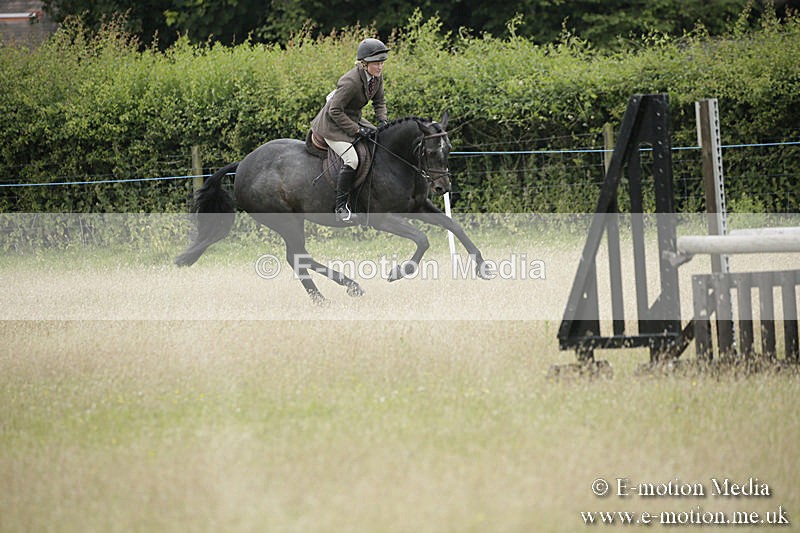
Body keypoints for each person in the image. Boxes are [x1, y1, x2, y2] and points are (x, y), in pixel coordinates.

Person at [311, 38, 389, 223]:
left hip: (352, 117)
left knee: (381, 141)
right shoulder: (350, 82)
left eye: (382, 62)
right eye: (376, 63)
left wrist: (382, 121)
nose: (380, 67)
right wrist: (357, 130)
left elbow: (379, 102)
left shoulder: (376, 77)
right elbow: (334, 111)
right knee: (351, 159)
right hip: (331, 125)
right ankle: (341, 208)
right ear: (364, 64)